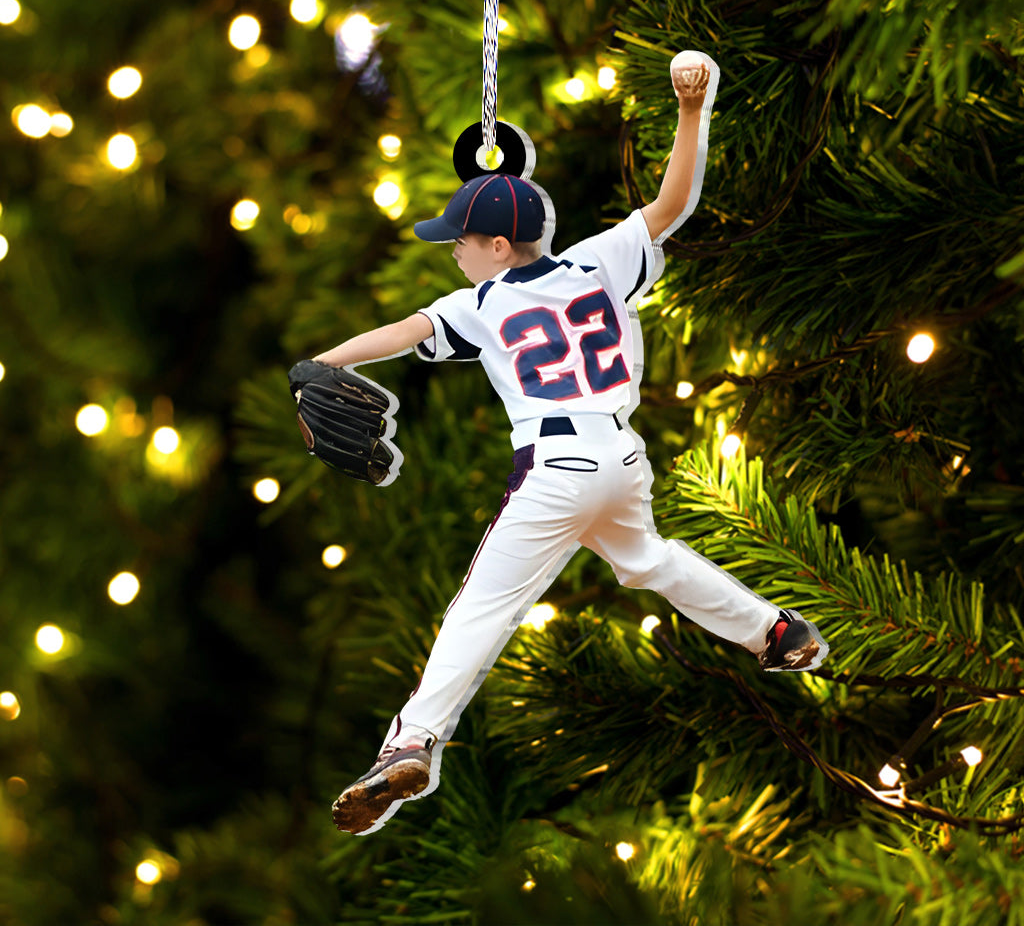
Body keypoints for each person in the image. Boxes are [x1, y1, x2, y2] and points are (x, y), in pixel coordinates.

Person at [313, 52, 829, 836]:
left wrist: (326, 361)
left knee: (482, 609)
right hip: (622, 459)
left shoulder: (479, 301)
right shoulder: (598, 260)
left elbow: (404, 331)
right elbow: (673, 202)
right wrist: (694, 109)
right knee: (649, 561)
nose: (452, 249)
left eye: (459, 238)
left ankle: (412, 743)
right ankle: (776, 632)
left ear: (494, 246)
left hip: (555, 465)